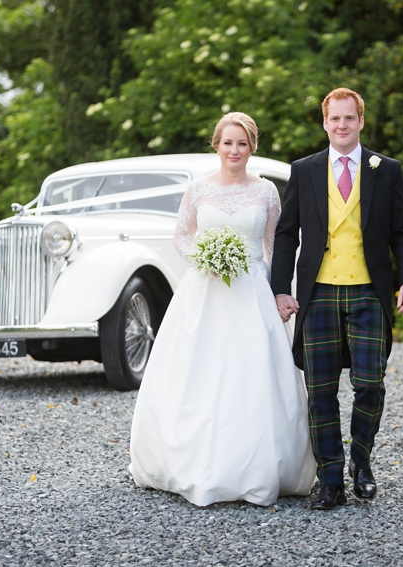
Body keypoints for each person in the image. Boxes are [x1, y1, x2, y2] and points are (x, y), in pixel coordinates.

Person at [128, 112, 317, 507]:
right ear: (216, 145)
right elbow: (181, 236)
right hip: (206, 289)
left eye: (242, 143)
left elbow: (274, 246)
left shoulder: (266, 192)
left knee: (253, 371)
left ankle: (261, 464)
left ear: (252, 148)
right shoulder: (197, 189)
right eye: (228, 142)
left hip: (251, 291)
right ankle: (194, 461)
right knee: (202, 370)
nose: (235, 150)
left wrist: (280, 292)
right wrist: (204, 257)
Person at [271, 88, 403, 510]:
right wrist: (281, 288)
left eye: (349, 118)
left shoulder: (386, 170)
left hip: (369, 293)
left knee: (370, 383)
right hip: (317, 294)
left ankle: (361, 460)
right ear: (324, 122)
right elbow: (286, 234)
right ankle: (330, 479)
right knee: (319, 390)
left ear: (360, 121)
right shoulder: (305, 170)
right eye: (334, 118)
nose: (341, 125)